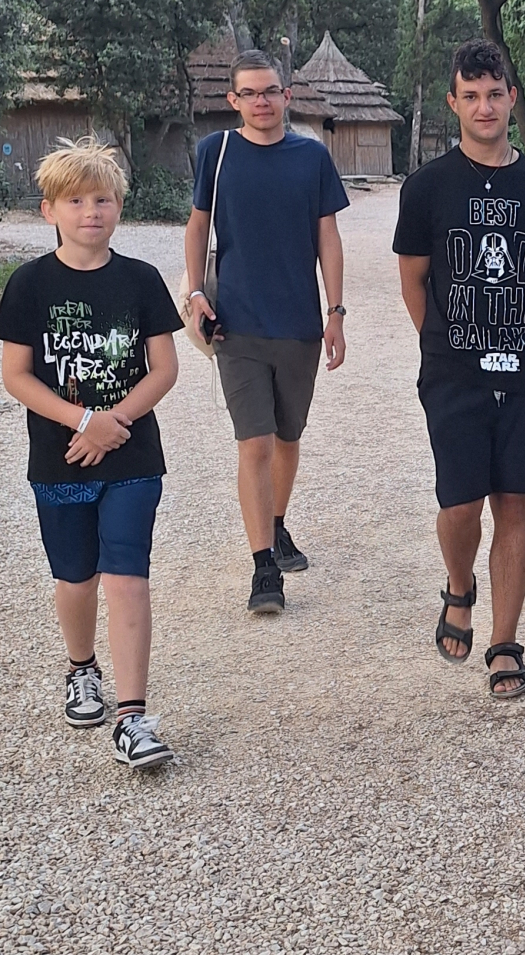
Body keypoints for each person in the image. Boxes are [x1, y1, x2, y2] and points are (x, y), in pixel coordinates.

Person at [0, 138, 184, 770]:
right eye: (75, 201)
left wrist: (114, 421)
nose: (90, 212)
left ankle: (132, 716)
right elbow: (16, 375)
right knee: (76, 576)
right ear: (49, 210)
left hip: (132, 456)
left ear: (119, 207)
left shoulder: (141, 280)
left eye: (102, 199)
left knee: (128, 574)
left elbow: (164, 368)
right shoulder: (29, 284)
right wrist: (84, 421)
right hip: (61, 456)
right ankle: (81, 669)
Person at [394, 39, 525, 700]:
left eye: (494, 94)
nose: (484, 107)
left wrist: (511, 335)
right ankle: (459, 584)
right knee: (460, 501)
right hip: (453, 370)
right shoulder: (426, 187)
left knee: (513, 503)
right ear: (453, 102)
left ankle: (505, 642)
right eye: (470, 96)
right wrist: (452, 343)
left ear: (511, 98)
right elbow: (414, 280)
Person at [185, 49, 350, 615]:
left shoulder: (312, 157)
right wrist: (195, 292)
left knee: (286, 437)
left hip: (298, 324)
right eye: (250, 93)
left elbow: (328, 237)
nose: (261, 101)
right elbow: (198, 226)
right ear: (233, 100)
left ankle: (276, 523)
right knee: (253, 441)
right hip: (236, 324)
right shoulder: (216, 152)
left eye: (270, 91)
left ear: (287, 96)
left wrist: (336, 312)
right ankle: (263, 569)